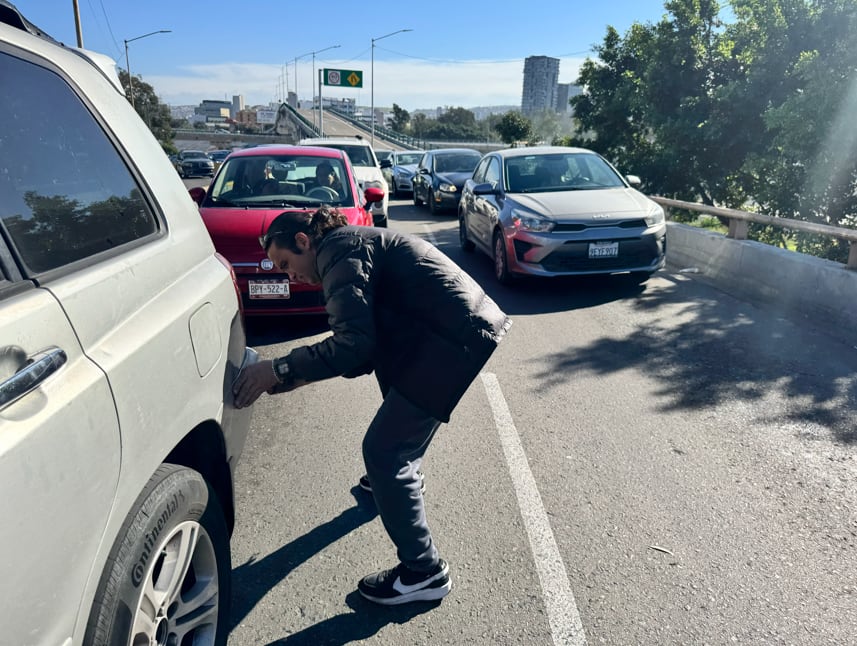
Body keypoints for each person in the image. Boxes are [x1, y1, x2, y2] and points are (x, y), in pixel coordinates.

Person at [233, 206, 512, 605]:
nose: (287, 274)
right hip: (443, 331)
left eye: (286, 263)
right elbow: (364, 351)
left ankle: (423, 571)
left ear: (303, 240)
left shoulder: (337, 252)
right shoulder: (345, 246)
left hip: (453, 338)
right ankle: (395, 482)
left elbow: (352, 345)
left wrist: (276, 368)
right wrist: (291, 377)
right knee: (394, 407)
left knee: (384, 451)